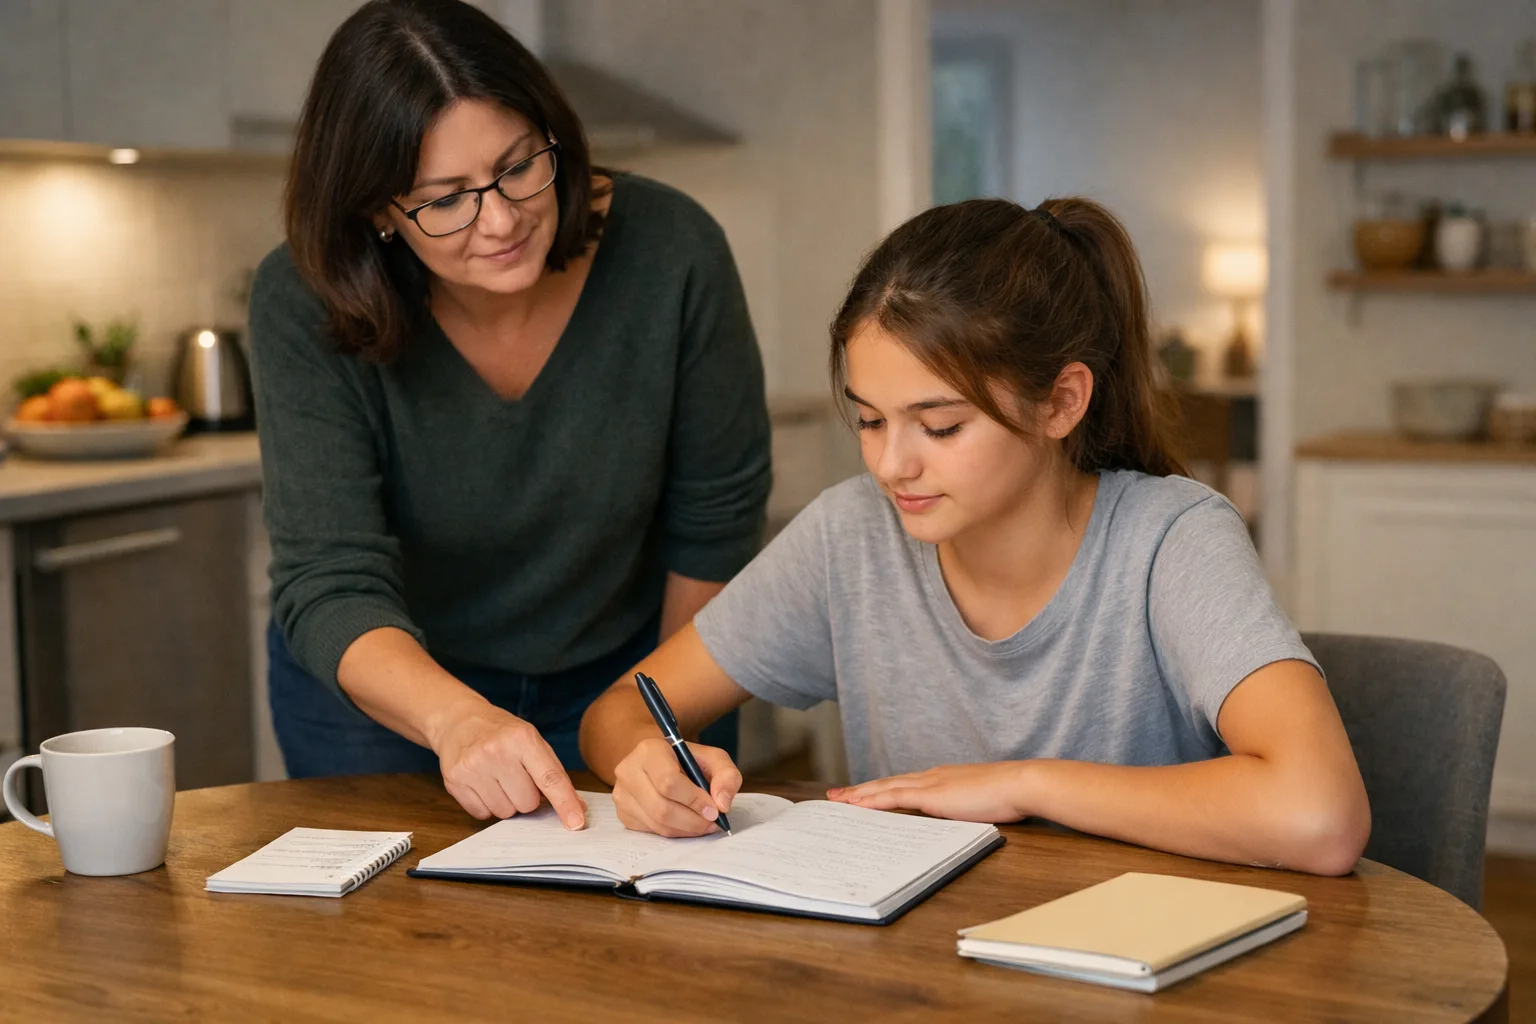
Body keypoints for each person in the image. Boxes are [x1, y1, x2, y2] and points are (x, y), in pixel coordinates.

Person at [579, 197, 1372, 875]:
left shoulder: (1173, 541)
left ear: (1061, 403)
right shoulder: (851, 535)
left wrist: (1023, 786)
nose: (893, 465)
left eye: (941, 425)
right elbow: (620, 710)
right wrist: (643, 765)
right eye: (868, 420)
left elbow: (1321, 816)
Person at [249, 0, 769, 829]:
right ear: (380, 209)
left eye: (520, 165)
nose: (501, 220)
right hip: (389, 701)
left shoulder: (673, 250)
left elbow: (714, 521)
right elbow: (328, 576)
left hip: (627, 679)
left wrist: (656, 720)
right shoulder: (300, 299)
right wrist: (456, 718)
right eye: (444, 199)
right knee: (386, 949)